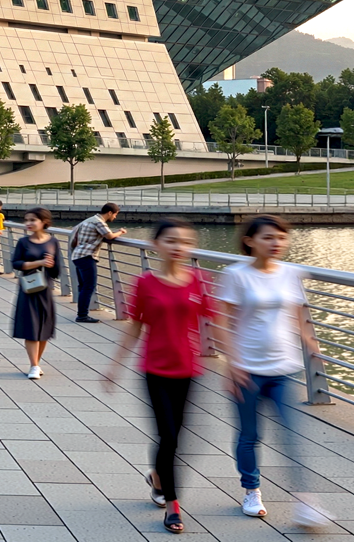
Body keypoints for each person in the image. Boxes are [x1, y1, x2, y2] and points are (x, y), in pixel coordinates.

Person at [214, 214, 331, 530]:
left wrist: (310, 343)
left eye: (281, 237)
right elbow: (222, 322)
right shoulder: (236, 275)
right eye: (268, 237)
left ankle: (306, 502)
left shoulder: (291, 273)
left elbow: (298, 314)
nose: (276, 243)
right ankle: (251, 491)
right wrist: (231, 364)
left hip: (283, 368)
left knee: (292, 433)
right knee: (250, 435)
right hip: (247, 370)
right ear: (250, 241)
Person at [103, 218, 217, 535]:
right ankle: (173, 506)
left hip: (189, 370)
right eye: (171, 240)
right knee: (168, 436)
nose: (178, 246)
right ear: (156, 245)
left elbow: (215, 321)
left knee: (178, 439)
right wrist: (115, 366)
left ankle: (157, 476)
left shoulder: (198, 280)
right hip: (154, 370)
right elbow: (135, 327)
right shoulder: (145, 283)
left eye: (184, 241)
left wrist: (234, 363)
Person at [10, 206, 60, 379]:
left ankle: (36, 364)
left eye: (33, 220)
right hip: (28, 288)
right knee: (31, 327)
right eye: (27, 220)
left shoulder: (53, 242)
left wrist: (51, 265)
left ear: (44, 222)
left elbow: (57, 271)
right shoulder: (23, 242)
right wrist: (38, 262)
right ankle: (33, 365)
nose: (28, 223)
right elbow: (16, 264)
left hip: (46, 289)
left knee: (44, 328)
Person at [69, 202, 125, 323]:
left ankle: (82, 313)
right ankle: (82, 315)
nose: (115, 217)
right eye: (115, 215)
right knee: (89, 287)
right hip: (86, 257)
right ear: (109, 213)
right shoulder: (98, 222)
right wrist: (120, 232)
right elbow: (109, 236)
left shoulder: (90, 220)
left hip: (78, 255)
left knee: (83, 286)